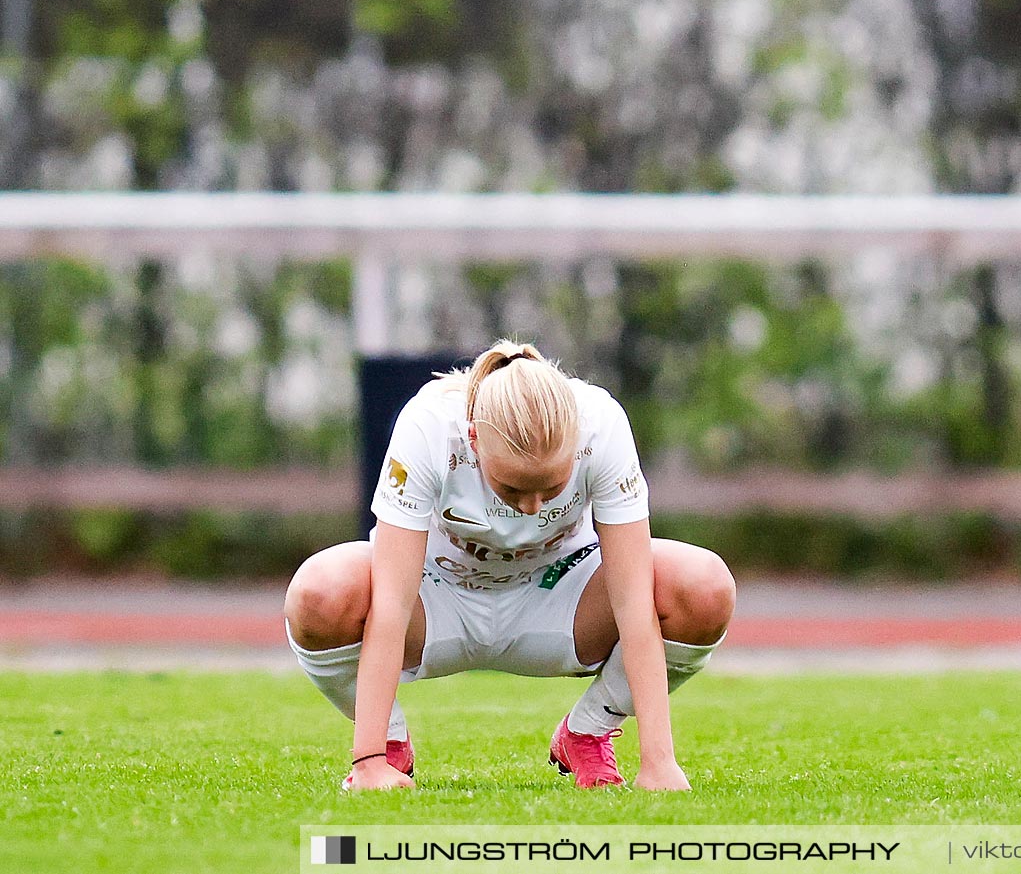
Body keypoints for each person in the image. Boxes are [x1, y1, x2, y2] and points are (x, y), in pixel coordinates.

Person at [283, 339, 734, 792]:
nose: (532, 508)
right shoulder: (429, 427)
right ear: (475, 439)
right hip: (437, 599)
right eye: (513, 488)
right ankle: (391, 743)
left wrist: (658, 762)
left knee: (704, 586)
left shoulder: (601, 425)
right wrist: (369, 759)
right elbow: (392, 603)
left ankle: (589, 731)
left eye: (551, 488)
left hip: (560, 596)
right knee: (319, 592)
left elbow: (635, 603)